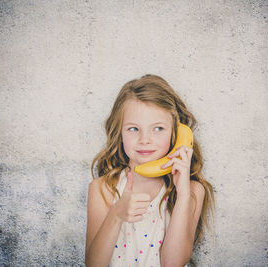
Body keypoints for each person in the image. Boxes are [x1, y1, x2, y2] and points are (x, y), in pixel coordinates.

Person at [85, 74, 215, 267]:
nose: (145, 139)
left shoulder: (193, 191)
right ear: (119, 132)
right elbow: (94, 264)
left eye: (158, 128)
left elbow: (172, 263)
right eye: (133, 129)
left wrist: (183, 194)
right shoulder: (103, 188)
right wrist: (115, 214)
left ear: (176, 134)